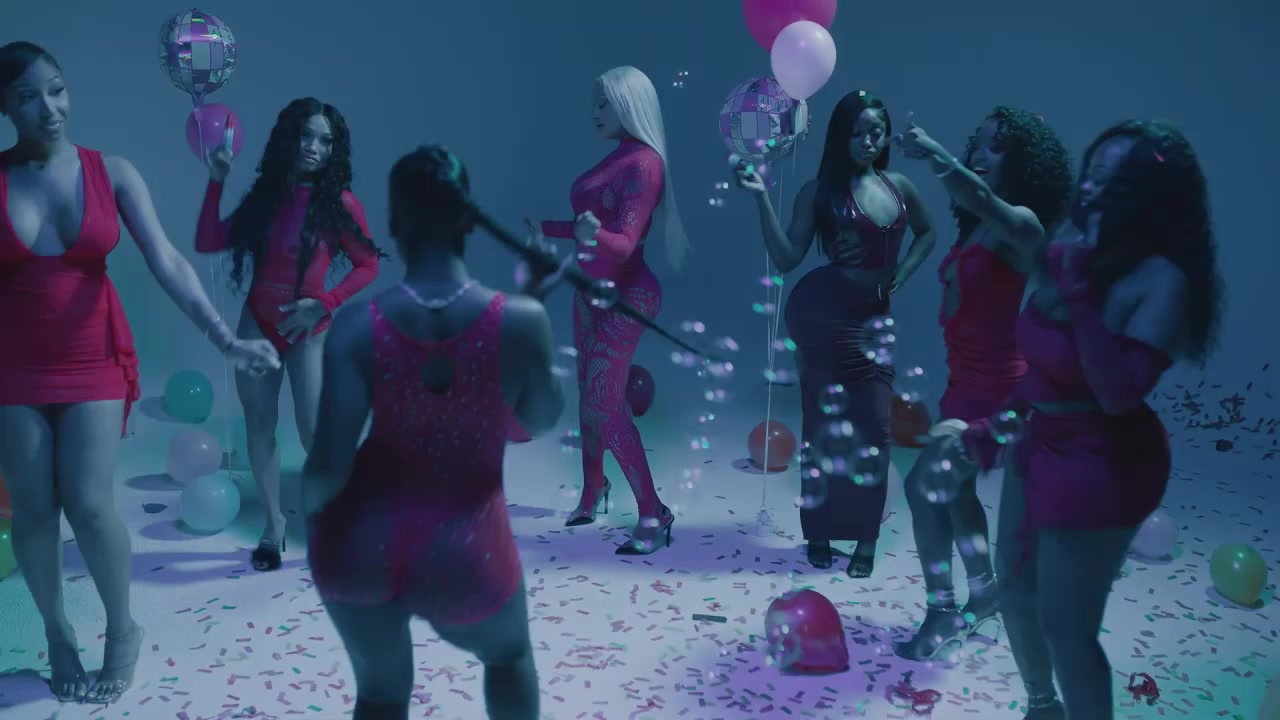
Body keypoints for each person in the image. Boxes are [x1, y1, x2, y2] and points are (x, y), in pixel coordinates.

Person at [0, 41, 279, 704]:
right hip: (12, 365)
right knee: (33, 510)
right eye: (28, 97)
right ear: (6, 107)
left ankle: (122, 631)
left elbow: (168, 260)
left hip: (92, 358)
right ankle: (58, 635)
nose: (49, 108)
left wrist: (225, 338)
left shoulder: (111, 171)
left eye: (57, 89)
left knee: (90, 505)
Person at [945, 120, 1223, 718]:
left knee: (1068, 630)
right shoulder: (1076, 238)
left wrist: (1079, 296)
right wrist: (1000, 425)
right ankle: (1042, 707)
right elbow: (1044, 363)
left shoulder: (1164, 280)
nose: (1093, 188)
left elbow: (1117, 393)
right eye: (1092, 172)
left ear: (1154, 197)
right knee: (1014, 587)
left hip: (1105, 465)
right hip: (1039, 442)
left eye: (1115, 181)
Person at [303, 146, 566, 720]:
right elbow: (539, 420)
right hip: (465, 548)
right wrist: (535, 304)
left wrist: (312, 522)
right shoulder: (521, 320)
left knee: (381, 692)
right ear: (469, 220)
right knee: (509, 658)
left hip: (359, 542)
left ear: (395, 223)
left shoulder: (357, 327)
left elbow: (327, 467)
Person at [890, 107, 1072, 660]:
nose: (979, 153)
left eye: (995, 146)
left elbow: (982, 197)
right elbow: (974, 201)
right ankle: (986, 590)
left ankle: (942, 609)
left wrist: (937, 156)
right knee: (956, 492)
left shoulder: (1022, 225)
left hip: (1001, 396)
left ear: (1021, 164)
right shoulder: (976, 229)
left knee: (923, 486)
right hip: (962, 387)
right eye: (979, 143)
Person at [735, 90, 935, 578]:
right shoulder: (819, 192)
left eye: (876, 132)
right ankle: (819, 533)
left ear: (885, 136)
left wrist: (903, 273)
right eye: (857, 132)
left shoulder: (900, 187)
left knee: (875, 429)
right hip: (824, 315)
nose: (867, 141)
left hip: (874, 321)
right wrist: (761, 198)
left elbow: (928, 233)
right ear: (840, 136)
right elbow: (786, 258)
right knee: (823, 429)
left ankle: (866, 538)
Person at [196, 97, 382, 572]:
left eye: (325, 141)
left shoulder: (339, 204)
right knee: (259, 424)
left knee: (313, 430)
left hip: (309, 326)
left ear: (334, 150)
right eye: (306, 136)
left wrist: (326, 302)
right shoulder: (265, 197)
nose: (314, 147)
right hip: (257, 322)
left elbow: (368, 264)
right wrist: (216, 182)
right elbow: (207, 241)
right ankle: (273, 525)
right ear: (288, 139)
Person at [529, 65, 689, 555]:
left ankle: (654, 512)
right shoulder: (618, 156)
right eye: (594, 103)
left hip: (628, 295)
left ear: (629, 104)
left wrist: (588, 233)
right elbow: (587, 226)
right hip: (590, 291)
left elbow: (622, 244)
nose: (594, 112)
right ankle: (593, 488)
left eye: (604, 103)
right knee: (590, 394)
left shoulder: (645, 163)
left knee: (604, 400)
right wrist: (545, 230)